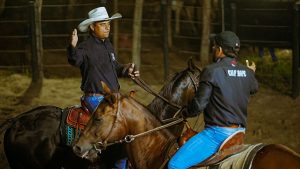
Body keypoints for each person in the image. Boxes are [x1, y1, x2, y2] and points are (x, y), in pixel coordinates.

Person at [168, 31, 258, 169]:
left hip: (216, 135)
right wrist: (250, 72)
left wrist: (186, 112)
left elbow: (198, 106)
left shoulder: (211, 70)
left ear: (220, 50)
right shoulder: (247, 72)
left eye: (214, 47)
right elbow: (253, 88)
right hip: (239, 133)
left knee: (175, 165)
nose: (213, 49)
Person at [67, 6, 139, 169]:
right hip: (95, 98)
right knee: (118, 128)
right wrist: (72, 47)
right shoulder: (84, 47)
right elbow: (75, 60)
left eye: (108, 24)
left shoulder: (108, 46)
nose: (108, 27)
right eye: (103, 24)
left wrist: (126, 70)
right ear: (93, 27)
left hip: (111, 98)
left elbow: (114, 67)